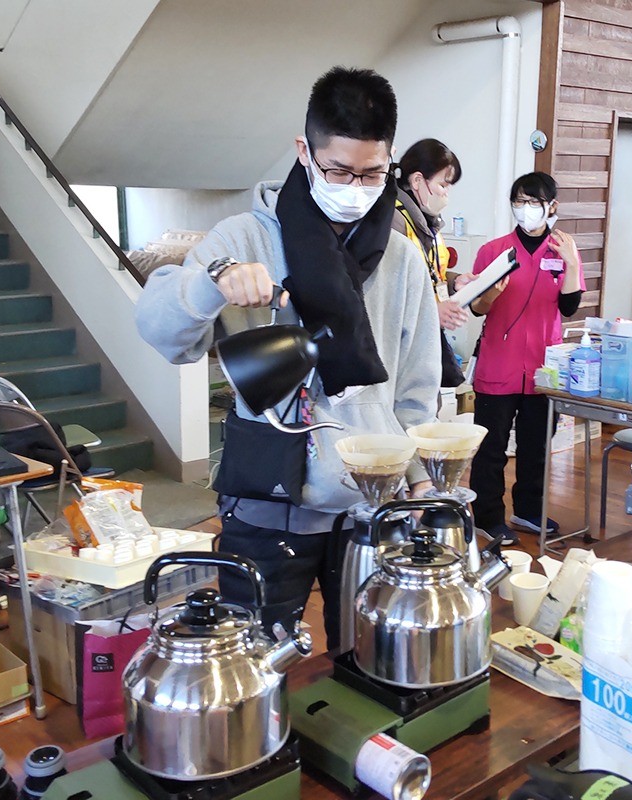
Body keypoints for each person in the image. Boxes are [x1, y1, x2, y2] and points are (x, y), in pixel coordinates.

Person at [135, 67, 441, 650]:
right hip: (267, 506)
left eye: (372, 172)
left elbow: (416, 394)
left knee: (371, 658)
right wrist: (212, 284)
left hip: (370, 505)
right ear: (304, 151)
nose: (355, 185)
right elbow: (161, 332)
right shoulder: (245, 238)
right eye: (338, 170)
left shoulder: (401, 259)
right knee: (253, 660)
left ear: (391, 160)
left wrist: (422, 489)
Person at [468, 172, 584, 545]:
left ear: (552, 207)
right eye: (519, 201)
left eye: (533, 202)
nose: (526, 209)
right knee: (492, 448)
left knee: (537, 446)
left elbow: (569, 307)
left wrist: (573, 264)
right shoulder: (494, 251)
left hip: (542, 368)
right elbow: (476, 307)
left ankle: (528, 511)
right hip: (499, 364)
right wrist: (492, 293)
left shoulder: (564, 250)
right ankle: (487, 516)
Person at [392, 138, 469, 387]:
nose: (446, 193)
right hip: (401, 348)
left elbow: (429, 272)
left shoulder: (428, 221)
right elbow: (388, 289)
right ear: (417, 181)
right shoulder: (394, 219)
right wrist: (431, 312)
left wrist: (456, 281)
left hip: (424, 339)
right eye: (443, 185)